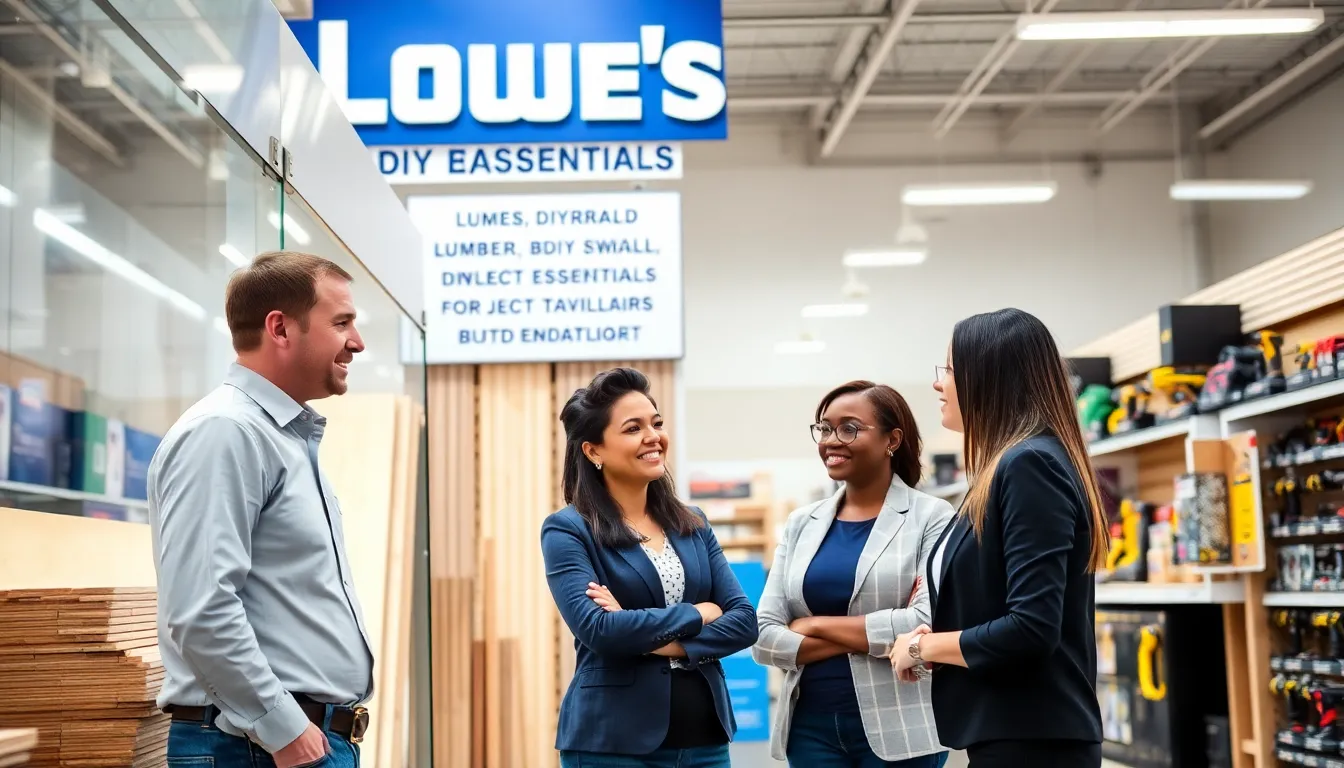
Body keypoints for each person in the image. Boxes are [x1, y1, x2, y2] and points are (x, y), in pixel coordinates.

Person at [149, 251, 373, 768]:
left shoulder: (281, 440)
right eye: (341, 323)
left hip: (282, 744)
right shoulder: (226, 433)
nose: (357, 342)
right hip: (253, 748)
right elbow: (201, 606)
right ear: (280, 328)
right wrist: (284, 728)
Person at [889, 308, 1108, 768]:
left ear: (987, 375)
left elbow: (1031, 628)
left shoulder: (1029, 465)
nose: (937, 384)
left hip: (1033, 740)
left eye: (947, 369)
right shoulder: (1008, 466)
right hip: (1012, 734)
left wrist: (923, 647)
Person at [541, 367, 758, 768]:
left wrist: (650, 635)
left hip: (705, 741)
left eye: (656, 423)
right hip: (612, 745)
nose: (652, 436)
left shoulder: (692, 523)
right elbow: (600, 631)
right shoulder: (568, 530)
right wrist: (699, 612)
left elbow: (745, 621)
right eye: (632, 428)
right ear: (593, 451)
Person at [753, 381, 954, 768]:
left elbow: (926, 623)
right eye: (824, 428)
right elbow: (763, 636)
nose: (831, 440)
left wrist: (811, 624)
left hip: (902, 728)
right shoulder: (801, 524)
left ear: (891, 440)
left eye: (849, 428)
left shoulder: (932, 516)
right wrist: (873, 634)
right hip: (810, 728)